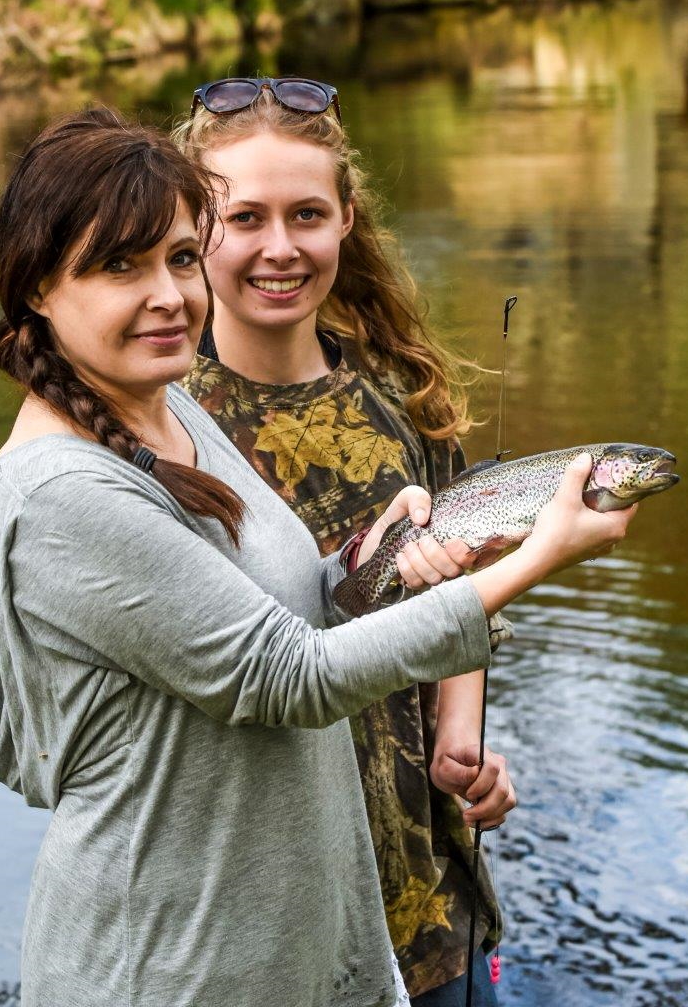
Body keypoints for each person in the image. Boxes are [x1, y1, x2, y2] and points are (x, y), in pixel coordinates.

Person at [0, 107, 636, 1007]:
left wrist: (371, 553)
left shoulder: (163, 406)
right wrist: (535, 556)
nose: (168, 294)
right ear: (38, 287)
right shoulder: (61, 494)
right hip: (169, 966)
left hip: (287, 944)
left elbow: (285, 600)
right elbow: (287, 679)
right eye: (119, 266)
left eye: (175, 256)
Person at [175, 78, 516, 1004]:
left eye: (307, 214)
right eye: (243, 217)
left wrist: (459, 736)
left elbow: (462, 587)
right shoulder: (161, 420)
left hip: (420, 883)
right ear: (190, 229)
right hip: (260, 900)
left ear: (346, 220)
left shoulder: (403, 396)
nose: (279, 248)